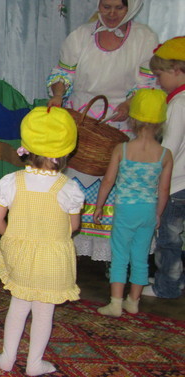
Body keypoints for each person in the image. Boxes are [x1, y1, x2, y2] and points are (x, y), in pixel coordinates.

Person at [47, 0, 158, 263]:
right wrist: (58, 95)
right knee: (74, 178)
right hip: (82, 120)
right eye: (106, 7)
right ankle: (68, 247)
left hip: (121, 122)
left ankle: (113, 255)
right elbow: (63, 73)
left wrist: (129, 104)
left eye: (119, 7)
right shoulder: (81, 36)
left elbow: (147, 82)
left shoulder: (144, 38)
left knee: (116, 181)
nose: (111, 13)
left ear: (130, 8)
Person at [0, 107, 84, 377]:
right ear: (66, 150)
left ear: (26, 146)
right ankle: (34, 363)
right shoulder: (68, 187)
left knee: (18, 306)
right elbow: (74, 226)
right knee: (44, 312)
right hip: (52, 259)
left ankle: (7, 358)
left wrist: (12, 237)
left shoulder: (11, 181)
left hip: (19, 255)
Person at [94, 89, 173, 317]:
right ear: (161, 122)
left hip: (125, 210)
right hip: (148, 210)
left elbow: (108, 181)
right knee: (140, 257)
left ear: (133, 120)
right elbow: (164, 190)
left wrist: (99, 206)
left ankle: (115, 303)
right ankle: (133, 301)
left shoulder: (122, 149)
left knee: (120, 255)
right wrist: (158, 214)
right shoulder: (165, 154)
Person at [142, 36, 185, 299]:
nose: (157, 81)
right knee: (178, 236)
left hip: (176, 183)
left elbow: (168, 149)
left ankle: (166, 287)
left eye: (159, 75)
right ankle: (175, 278)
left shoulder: (178, 103)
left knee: (168, 238)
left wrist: (154, 177)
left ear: (177, 70)